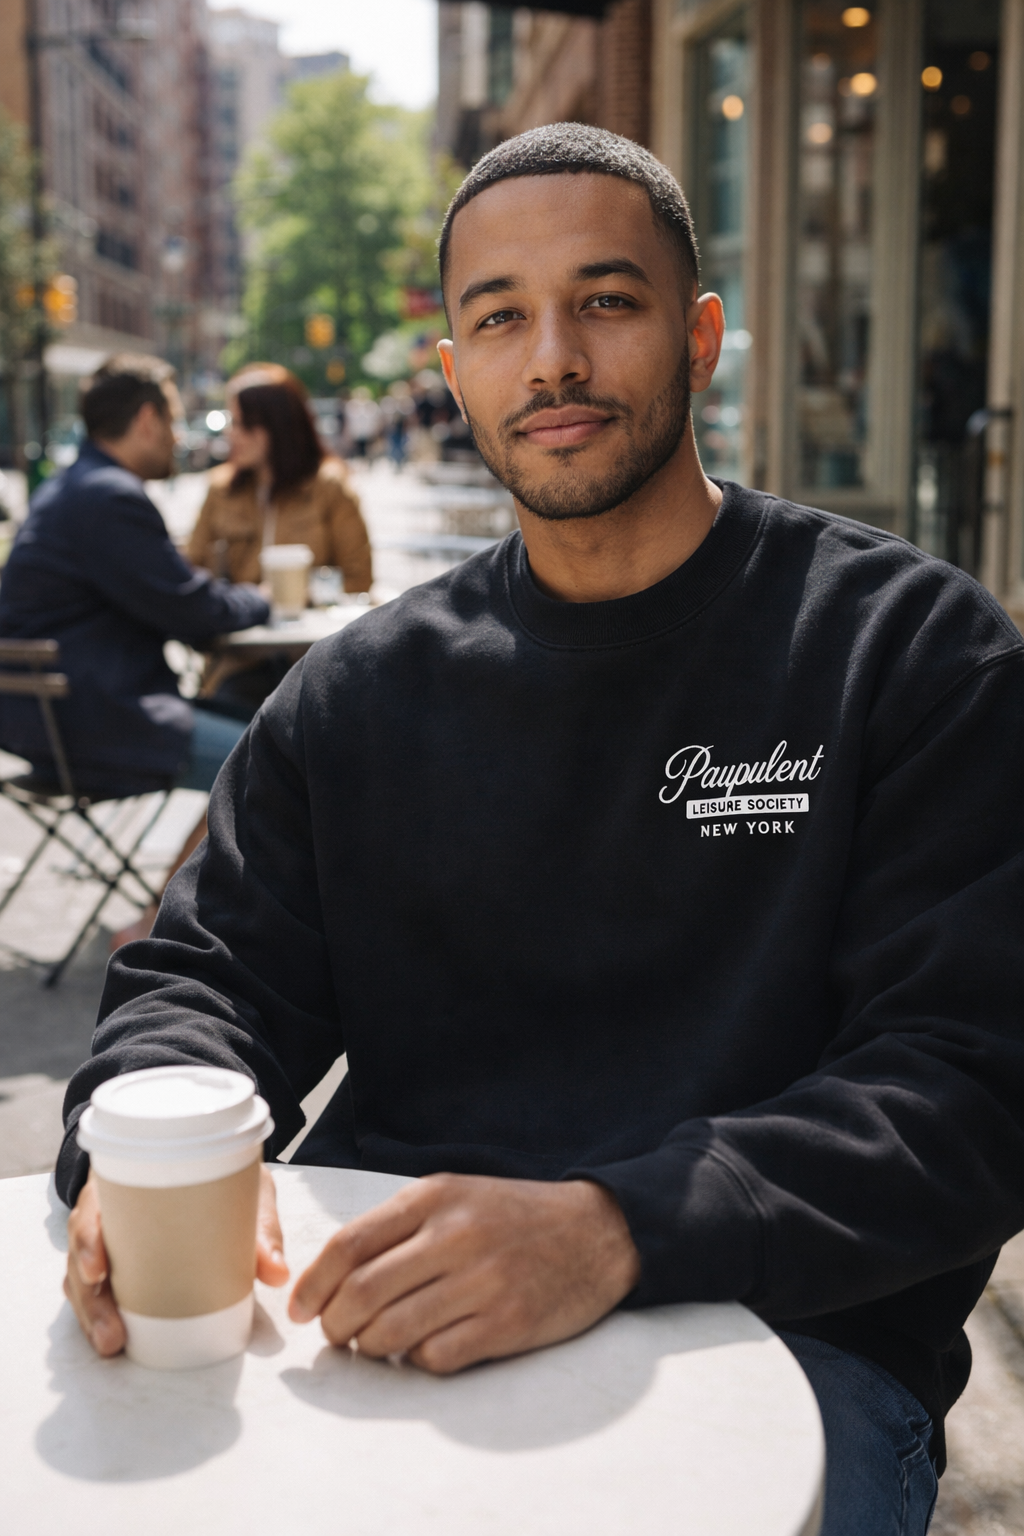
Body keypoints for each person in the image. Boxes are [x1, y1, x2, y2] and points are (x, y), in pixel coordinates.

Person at [59, 127, 1024, 1536]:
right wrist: (139, 1145)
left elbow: (971, 1089)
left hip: (783, 1345)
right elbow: (202, 979)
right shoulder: (359, 695)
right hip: (376, 1327)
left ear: (700, 338)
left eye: (606, 301)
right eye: (500, 317)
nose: (553, 357)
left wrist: (617, 1228)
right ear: (454, 372)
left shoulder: (909, 653)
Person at [0, 354, 269, 940]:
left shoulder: (75, 485)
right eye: (173, 422)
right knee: (271, 755)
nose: (177, 437)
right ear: (146, 419)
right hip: (91, 718)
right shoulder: (108, 496)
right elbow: (192, 611)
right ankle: (158, 922)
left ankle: (178, 910)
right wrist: (262, 599)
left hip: (52, 713)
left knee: (263, 728)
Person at [187, 364, 371, 720]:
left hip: (313, 660)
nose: (232, 434)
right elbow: (194, 573)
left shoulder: (329, 488)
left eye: (243, 424)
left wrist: (305, 593)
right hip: (238, 662)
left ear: (278, 426)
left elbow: (359, 579)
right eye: (231, 422)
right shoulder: (219, 490)